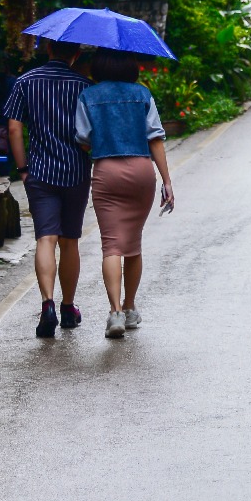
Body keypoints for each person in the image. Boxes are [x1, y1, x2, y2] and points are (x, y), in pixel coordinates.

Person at [74, 48, 175, 339]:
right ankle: (130, 308)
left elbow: (83, 139)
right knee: (133, 244)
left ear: (99, 67)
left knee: (112, 246)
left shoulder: (88, 96)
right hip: (142, 172)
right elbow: (155, 137)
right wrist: (167, 181)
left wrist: (104, 139)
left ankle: (115, 312)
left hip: (107, 172)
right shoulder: (142, 95)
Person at [4, 39, 92, 338]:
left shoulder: (25, 82)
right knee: (70, 240)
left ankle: (47, 304)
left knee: (45, 238)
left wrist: (22, 168)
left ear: (48, 49)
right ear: (77, 53)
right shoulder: (84, 85)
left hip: (40, 172)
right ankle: (68, 307)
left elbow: (14, 128)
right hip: (77, 171)